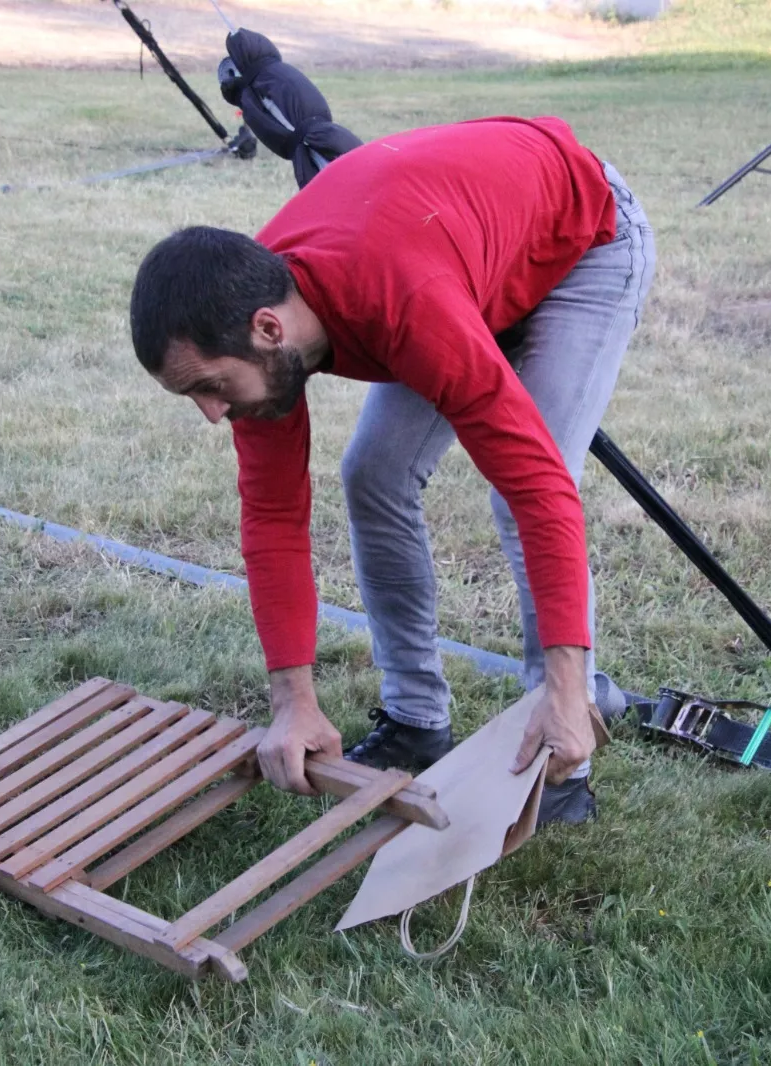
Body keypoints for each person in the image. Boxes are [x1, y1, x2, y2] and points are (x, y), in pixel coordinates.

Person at [128, 115, 655, 824]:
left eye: (211, 388)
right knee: (373, 475)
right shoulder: (255, 329)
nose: (212, 415)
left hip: (582, 236)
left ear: (270, 329)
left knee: (523, 481)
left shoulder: (399, 301)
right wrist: (293, 702)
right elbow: (274, 519)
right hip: (452, 254)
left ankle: (563, 747)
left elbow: (540, 491)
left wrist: (566, 683)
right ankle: (415, 719)